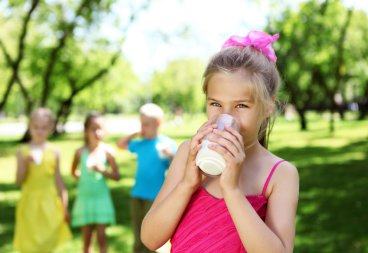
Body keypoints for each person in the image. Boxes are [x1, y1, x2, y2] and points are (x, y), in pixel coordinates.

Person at [141, 30, 299, 253]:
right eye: (215, 104)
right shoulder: (188, 153)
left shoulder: (280, 175)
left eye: (241, 105)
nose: (226, 117)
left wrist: (232, 191)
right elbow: (150, 238)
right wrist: (187, 184)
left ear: (268, 107)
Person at [117, 103, 177, 253]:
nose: (143, 127)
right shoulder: (140, 143)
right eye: (141, 124)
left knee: (152, 238)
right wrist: (136, 133)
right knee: (138, 236)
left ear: (157, 123)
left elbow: (176, 169)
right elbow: (120, 144)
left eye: (146, 124)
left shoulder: (167, 143)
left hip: (155, 197)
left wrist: (170, 155)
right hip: (137, 194)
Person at [13, 107, 72, 252]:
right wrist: (26, 164)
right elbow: (19, 180)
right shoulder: (22, 152)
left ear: (51, 128)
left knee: (48, 240)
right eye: (36, 127)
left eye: (44, 128)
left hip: (49, 202)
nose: (39, 131)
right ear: (30, 127)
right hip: (29, 203)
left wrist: (64, 206)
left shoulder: (54, 151)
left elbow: (59, 180)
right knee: (30, 242)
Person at [71, 112, 120, 253]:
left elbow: (117, 176)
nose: (97, 132)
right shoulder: (80, 152)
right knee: (86, 239)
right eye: (93, 128)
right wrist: (82, 178)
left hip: (101, 199)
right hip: (85, 199)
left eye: (100, 128)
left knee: (101, 237)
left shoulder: (108, 151)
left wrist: (103, 171)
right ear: (86, 131)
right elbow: (73, 171)